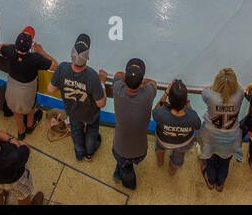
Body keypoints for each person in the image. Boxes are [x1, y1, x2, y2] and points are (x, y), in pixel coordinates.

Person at [47, 33, 107, 162]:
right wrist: (102, 82)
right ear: (87, 57)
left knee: (76, 130)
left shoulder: (62, 68)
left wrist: (63, 83)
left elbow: (50, 89)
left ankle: (79, 154)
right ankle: (89, 154)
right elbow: (101, 103)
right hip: (90, 113)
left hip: (72, 111)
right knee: (92, 130)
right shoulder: (92, 76)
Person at [0, 26, 56, 137]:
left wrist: (12, 47)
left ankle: (21, 132)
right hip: (27, 95)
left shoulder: (10, 51)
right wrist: (41, 52)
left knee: (16, 113)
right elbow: (55, 66)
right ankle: (29, 126)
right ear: (30, 46)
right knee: (30, 110)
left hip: (11, 97)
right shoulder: (36, 58)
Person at [109, 56, 156, 189]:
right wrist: (141, 81)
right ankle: (129, 184)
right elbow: (153, 83)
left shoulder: (118, 89)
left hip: (120, 149)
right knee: (126, 167)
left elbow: (118, 74)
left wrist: (129, 76)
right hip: (140, 151)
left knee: (124, 164)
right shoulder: (148, 93)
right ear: (141, 81)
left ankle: (120, 172)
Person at [0, 127, 45, 205]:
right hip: (15, 181)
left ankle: (0, 203)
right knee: (23, 195)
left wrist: (8, 139)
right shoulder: (12, 157)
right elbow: (26, 148)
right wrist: (13, 141)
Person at [153, 78, 201, 174]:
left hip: (163, 140)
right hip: (182, 144)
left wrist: (166, 93)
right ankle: (171, 171)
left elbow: (155, 112)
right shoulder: (192, 116)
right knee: (178, 159)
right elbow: (197, 127)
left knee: (160, 147)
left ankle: (160, 161)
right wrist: (187, 102)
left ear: (170, 99)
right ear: (185, 100)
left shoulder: (161, 113)